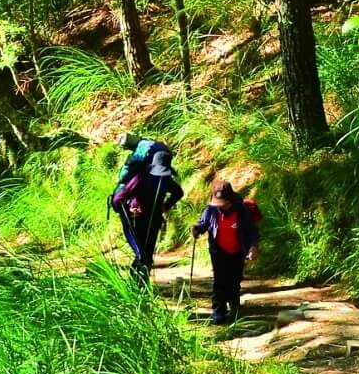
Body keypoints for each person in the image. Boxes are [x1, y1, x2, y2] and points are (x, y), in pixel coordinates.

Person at [111, 133, 183, 286]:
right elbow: (117, 199)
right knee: (142, 255)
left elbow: (178, 192)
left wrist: (164, 207)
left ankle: (140, 288)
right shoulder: (141, 178)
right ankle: (137, 286)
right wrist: (127, 213)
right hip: (135, 221)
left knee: (146, 256)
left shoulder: (163, 178)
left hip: (152, 219)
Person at [192, 180, 262, 325]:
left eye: (223, 202)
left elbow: (251, 230)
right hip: (218, 251)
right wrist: (197, 229)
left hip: (238, 251)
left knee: (235, 279)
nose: (221, 206)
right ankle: (219, 311)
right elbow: (203, 224)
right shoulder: (210, 210)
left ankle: (234, 304)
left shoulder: (241, 210)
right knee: (220, 281)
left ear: (231, 199)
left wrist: (253, 246)